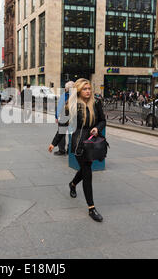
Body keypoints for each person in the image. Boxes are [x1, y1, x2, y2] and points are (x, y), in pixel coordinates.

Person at [48, 78, 106, 222]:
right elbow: (63, 125)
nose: (88, 91)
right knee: (87, 173)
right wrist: (54, 143)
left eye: (89, 89)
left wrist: (97, 128)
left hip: (92, 142)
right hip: (79, 144)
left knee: (85, 169)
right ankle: (91, 208)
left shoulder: (96, 103)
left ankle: (72, 184)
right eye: (85, 89)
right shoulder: (71, 105)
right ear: (79, 91)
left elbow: (103, 120)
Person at [53, 81, 74, 156]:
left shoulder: (64, 95)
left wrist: (56, 116)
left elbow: (59, 107)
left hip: (63, 117)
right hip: (73, 118)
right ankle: (70, 149)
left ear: (66, 88)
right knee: (72, 133)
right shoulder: (76, 96)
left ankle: (61, 150)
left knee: (61, 133)